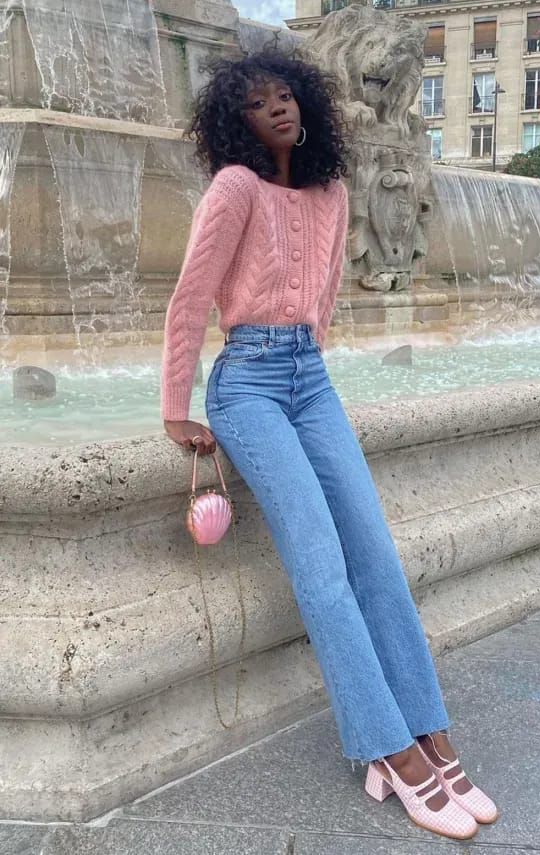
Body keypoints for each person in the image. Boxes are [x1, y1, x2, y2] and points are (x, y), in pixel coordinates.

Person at [160, 49, 497, 840]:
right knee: (320, 566)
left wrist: (310, 358)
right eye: (256, 103)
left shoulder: (334, 190)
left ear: (307, 102)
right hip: (244, 384)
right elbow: (190, 298)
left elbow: (325, 299)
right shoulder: (234, 188)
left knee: (375, 555)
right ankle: (389, 749)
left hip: (310, 380)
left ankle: (431, 732)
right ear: (234, 123)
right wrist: (177, 406)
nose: (276, 108)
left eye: (285, 94)